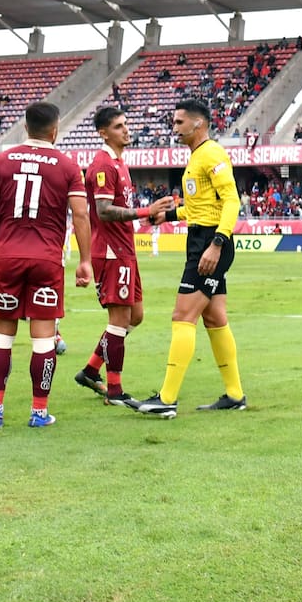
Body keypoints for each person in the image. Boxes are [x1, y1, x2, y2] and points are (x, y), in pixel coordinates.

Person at [0, 102, 90, 429]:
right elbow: (80, 215)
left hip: (7, 257)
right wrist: (85, 261)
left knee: (2, 338)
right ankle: (38, 412)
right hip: (47, 260)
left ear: (25, 127)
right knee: (44, 339)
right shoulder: (68, 166)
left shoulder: (1, 162)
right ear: (55, 130)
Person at [136, 99, 246, 418]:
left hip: (210, 243)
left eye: (179, 122)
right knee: (214, 318)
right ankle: (235, 395)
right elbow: (200, 208)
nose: (175, 127)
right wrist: (167, 216)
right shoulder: (197, 157)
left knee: (183, 315)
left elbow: (231, 201)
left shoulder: (211, 153)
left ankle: (166, 399)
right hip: (202, 237)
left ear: (199, 124)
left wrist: (217, 243)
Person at [74, 107, 174, 408]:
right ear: (103, 133)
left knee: (136, 316)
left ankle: (91, 370)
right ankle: (114, 390)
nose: (126, 130)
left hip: (124, 250)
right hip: (110, 252)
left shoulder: (119, 163)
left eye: (126, 124)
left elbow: (120, 213)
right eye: (119, 126)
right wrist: (145, 211)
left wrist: (151, 218)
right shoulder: (103, 164)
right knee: (119, 321)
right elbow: (104, 211)